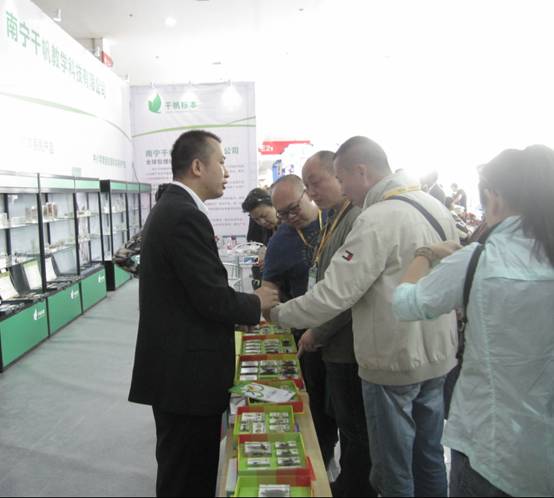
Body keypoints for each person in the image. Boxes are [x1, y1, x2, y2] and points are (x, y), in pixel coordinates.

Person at [269, 136, 459, 497]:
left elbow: (334, 294)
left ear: (362, 171)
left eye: (342, 179)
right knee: (429, 457)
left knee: (393, 468)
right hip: (437, 355)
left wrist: (278, 314)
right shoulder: (434, 206)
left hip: (392, 361)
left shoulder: (376, 218)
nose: (342, 189)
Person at [393, 145, 554, 497]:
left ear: (495, 197)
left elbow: (405, 303)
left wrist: (425, 255)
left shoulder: (478, 259)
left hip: (490, 447)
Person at [128, 130, 279, 498]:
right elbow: (211, 297)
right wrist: (256, 301)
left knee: (184, 469)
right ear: (198, 166)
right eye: (222, 162)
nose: (227, 172)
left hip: (178, 370)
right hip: (186, 377)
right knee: (188, 476)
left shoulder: (176, 208)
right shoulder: (183, 215)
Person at [300, 151, 375, 497]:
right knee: (346, 422)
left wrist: (317, 330)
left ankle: (355, 488)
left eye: (316, 182)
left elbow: (347, 293)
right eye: (307, 186)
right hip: (333, 344)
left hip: (346, 346)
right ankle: (349, 482)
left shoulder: (357, 217)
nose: (312, 192)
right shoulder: (334, 217)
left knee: (355, 427)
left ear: (339, 175)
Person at [262, 175, 339, 468]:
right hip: (305, 337)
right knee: (317, 407)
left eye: (293, 209)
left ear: (307, 194)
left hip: (342, 331)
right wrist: (270, 317)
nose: (290, 218)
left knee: (346, 412)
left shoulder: (333, 220)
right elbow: (269, 288)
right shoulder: (281, 240)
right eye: (282, 214)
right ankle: (323, 462)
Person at [113, 183, 169, 276]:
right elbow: (119, 257)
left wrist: (143, 273)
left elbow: (119, 257)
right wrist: (144, 273)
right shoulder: (157, 227)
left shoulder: (152, 226)